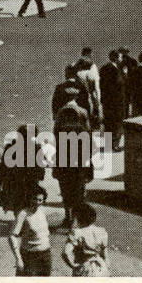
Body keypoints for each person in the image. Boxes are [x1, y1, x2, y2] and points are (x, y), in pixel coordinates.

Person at [52, 86, 93, 230]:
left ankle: (67, 216)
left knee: (65, 187)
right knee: (79, 188)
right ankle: (77, 217)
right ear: (76, 97)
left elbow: (55, 133)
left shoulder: (60, 112)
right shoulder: (83, 112)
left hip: (64, 154)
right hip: (79, 154)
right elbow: (88, 133)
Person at [10, 184, 53, 276]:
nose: (37, 202)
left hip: (45, 255)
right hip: (29, 257)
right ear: (29, 198)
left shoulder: (43, 211)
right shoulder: (23, 214)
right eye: (35, 199)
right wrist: (18, 259)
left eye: (40, 200)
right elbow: (12, 236)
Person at [63, 204, 109, 276]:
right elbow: (105, 254)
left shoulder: (77, 233)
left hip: (84, 267)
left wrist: (73, 265)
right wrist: (106, 267)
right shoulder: (101, 231)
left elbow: (66, 253)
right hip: (100, 267)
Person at [99, 50, 126, 150]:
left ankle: (108, 144)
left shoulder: (103, 68)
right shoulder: (117, 70)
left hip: (107, 100)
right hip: (117, 100)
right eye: (119, 57)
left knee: (108, 121)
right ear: (116, 58)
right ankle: (115, 144)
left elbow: (101, 85)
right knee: (117, 121)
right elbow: (120, 83)